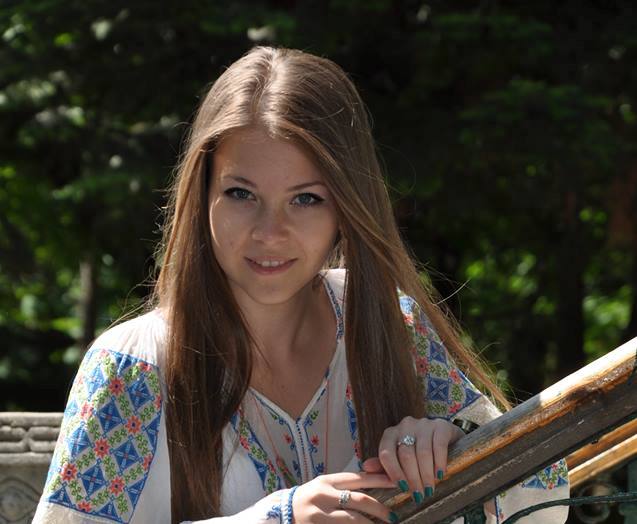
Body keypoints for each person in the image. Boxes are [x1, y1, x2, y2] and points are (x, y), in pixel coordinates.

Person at [33, 46, 569, 524]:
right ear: (202, 197)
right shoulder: (134, 369)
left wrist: (455, 449)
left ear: (346, 208)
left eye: (306, 199)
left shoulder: (389, 325)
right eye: (241, 194)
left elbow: (545, 494)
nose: (270, 232)